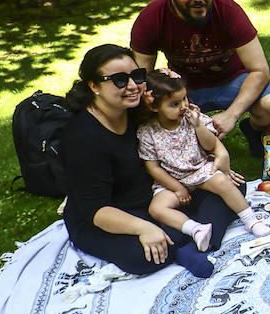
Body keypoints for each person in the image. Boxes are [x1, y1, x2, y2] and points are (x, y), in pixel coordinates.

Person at [59, 45, 233, 279]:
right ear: (94, 86)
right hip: (108, 217)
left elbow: (179, 108)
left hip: (153, 196)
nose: (132, 86)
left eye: (137, 76)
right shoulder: (83, 138)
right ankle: (189, 241)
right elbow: (96, 211)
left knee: (230, 184)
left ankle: (190, 240)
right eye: (119, 80)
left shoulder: (136, 108)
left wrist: (220, 153)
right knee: (143, 256)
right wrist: (144, 228)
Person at [130, 0, 270, 158]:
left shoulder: (228, 10)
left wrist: (231, 115)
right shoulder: (151, 18)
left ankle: (253, 129)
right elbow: (140, 77)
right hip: (184, 88)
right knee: (141, 112)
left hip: (232, 80)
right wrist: (162, 84)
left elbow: (260, 70)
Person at [138, 68, 270, 251]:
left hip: (199, 169)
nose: (183, 106)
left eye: (184, 98)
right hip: (172, 179)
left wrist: (198, 126)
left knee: (223, 182)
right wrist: (177, 189)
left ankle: (250, 220)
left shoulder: (193, 118)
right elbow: (153, 168)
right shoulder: (148, 132)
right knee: (157, 208)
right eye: (174, 104)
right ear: (154, 107)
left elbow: (210, 145)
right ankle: (196, 229)